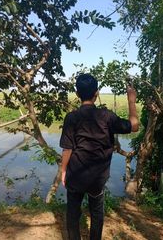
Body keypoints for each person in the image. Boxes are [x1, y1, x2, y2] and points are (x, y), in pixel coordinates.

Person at [60, 74, 139, 240]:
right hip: (97, 178)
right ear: (96, 93)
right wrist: (131, 101)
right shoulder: (107, 116)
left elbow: (67, 150)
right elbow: (134, 126)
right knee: (96, 213)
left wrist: (63, 171)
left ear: (77, 93)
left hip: (76, 175)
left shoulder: (71, 118)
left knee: (73, 214)